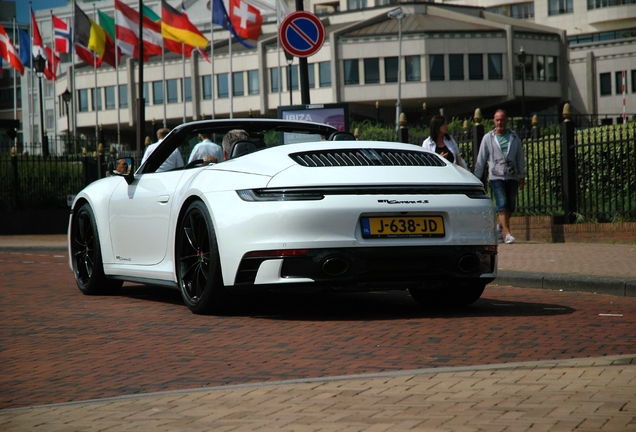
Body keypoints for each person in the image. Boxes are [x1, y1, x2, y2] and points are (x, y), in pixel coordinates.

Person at [474, 109, 525, 244]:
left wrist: (522, 175)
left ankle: (499, 228)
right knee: (502, 204)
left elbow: (520, 158)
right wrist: (476, 178)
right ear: (494, 121)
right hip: (496, 177)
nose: (499, 122)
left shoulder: (514, 137)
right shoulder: (488, 138)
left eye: (502, 119)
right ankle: (507, 233)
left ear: (506, 120)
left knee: (511, 206)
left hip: (512, 176)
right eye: (497, 120)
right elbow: (481, 159)